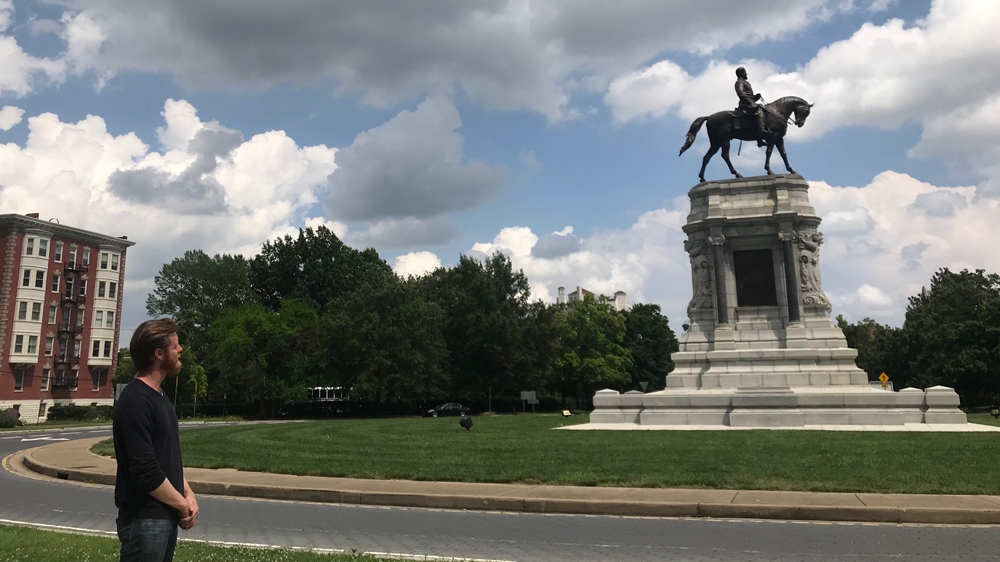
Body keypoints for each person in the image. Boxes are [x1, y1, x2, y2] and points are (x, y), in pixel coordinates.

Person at [113, 319, 199, 562]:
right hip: (144, 520)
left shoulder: (159, 396)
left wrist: (188, 493)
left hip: (163, 517)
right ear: (158, 354)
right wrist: (182, 505)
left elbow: (167, 456)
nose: (180, 350)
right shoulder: (136, 400)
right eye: (175, 346)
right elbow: (145, 470)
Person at [735, 66, 771, 146]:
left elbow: (749, 96)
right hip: (745, 104)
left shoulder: (745, 82)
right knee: (760, 110)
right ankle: (762, 131)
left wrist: (755, 97)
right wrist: (751, 103)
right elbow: (741, 93)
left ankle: (759, 139)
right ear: (741, 73)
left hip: (749, 102)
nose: (746, 73)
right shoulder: (740, 82)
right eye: (745, 72)